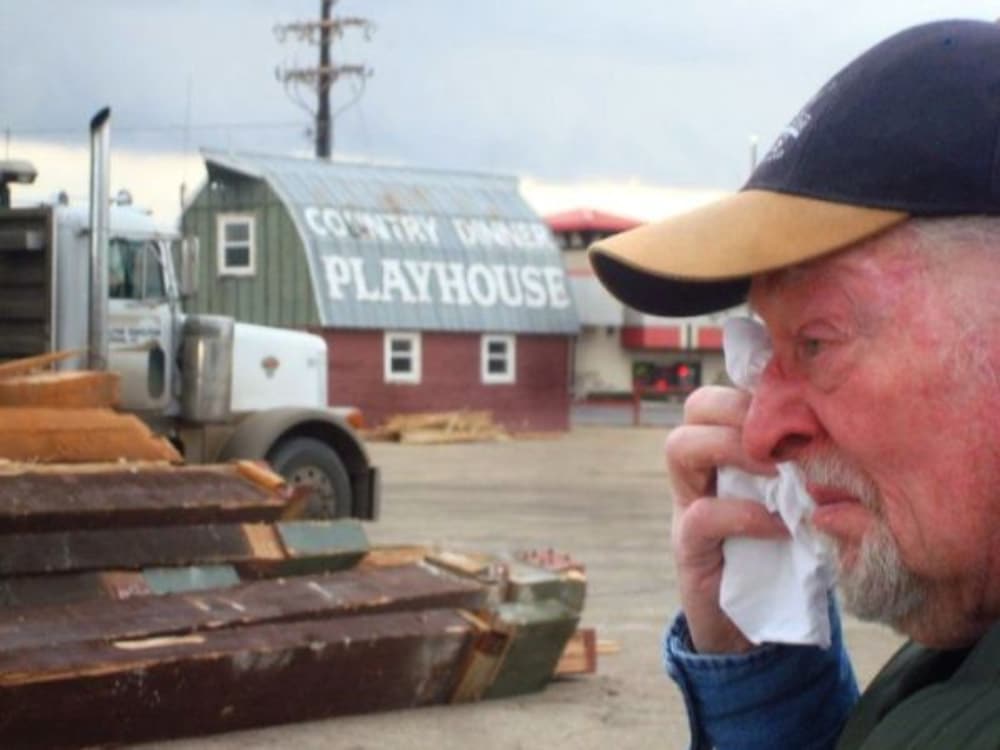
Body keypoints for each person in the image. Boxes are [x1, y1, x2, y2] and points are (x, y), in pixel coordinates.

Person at [589, 19, 1000, 750]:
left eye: (816, 341)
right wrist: (761, 668)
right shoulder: (966, 636)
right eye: (761, 350)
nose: (759, 432)